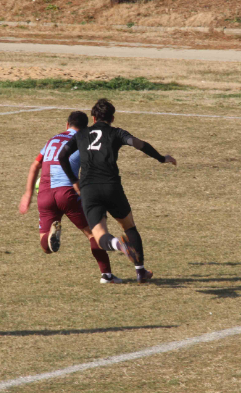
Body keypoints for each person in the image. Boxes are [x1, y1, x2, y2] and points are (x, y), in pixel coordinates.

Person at [58, 98, 176, 283]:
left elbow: (62, 155)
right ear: (112, 118)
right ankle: (140, 271)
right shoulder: (117, 133)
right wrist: (161, 158)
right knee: (129, 226)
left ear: (93, 117)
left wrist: (74, 181)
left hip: (89, 189)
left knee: (100, 235)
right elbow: (139, 144)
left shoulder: (81, 135)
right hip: (111, 186)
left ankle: (119, 246)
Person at [19, 112, 122, 283]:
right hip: (67, 192)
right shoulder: (84, 139)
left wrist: (27, 194)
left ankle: (50, 237)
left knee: (45, 248)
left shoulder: (52, 139)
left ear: (67, 125)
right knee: (92, 234)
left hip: (44, 193)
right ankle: (107, 275)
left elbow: (36, 164)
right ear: (86, 127)